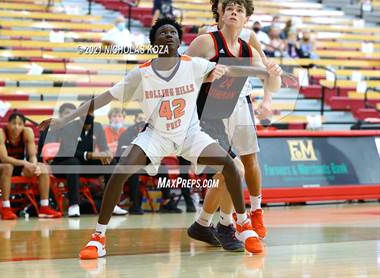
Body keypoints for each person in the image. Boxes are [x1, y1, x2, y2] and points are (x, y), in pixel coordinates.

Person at [40, 17, 280, 258]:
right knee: (120, 171)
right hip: (156, 134)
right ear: (154, 43)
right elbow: (103, 98)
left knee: (230, 166)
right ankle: (98, 238)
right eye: (163, 33)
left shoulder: (193, 64)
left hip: (190, 133)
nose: (169, 35)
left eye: (173, 32)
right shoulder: (141, 73)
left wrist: (264, 70)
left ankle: (243, 226)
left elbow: (233, 69)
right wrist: (63, 120)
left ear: (179, 41)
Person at [186, 0, 282, 251]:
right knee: (231, 168)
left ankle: (209, 223)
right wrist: (204, 77)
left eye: (238, 8)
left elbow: (269, 76)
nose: (233, 11)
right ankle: (230, 224)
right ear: (218, 9)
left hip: (238, 104)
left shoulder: (248, 42)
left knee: (237, 167)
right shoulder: (206, 39)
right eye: (228, 6)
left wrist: (270, 89)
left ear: (246, 16)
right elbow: (180, 71)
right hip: (207, 113)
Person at [47, 102, 119, 217]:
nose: (89, 114)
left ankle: (111, 204)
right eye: (85, 112)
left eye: (91, 112)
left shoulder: (98, 127)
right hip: (63, 164)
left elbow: (104, 148)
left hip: (84, 165)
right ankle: (74, 205)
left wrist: (106, 154)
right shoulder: (69, 127)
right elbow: (70, 151)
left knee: (111, 162)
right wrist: (92, 155)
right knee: (73, 162)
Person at [0, 112, 61, 220]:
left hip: (20, 166)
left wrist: (34, 166)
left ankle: (44, 207)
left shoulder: (27, 132)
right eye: (13, 123)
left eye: (20, 124)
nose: (16, 126)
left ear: (24, 125)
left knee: (43, 168)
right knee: (8, 167)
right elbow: (4, 158)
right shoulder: (0, 132)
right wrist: (25, 163)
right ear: (7, 124)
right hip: (0, 167)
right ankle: (6, 208)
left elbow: (32, 155)